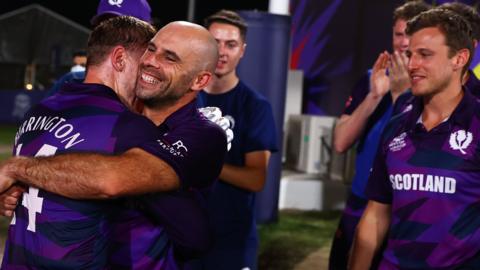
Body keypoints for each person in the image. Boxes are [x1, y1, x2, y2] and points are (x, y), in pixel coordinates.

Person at [0, 17, 228, 269]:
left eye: (170, 58)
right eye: (151, 49)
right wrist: (25, 190)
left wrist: (19, 169)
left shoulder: (202, 133)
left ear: (199, 81)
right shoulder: (116, 117)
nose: (150, 61)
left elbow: (194, 236)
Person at [350, 8, 480, 269]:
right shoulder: (397, 125)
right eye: (410, 54)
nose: (411, 65)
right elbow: (376, 215)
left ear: (460, 58)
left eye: (425, 55)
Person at [329, 1, 430, 269]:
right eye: (398, 34)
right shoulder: (371, 78)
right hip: (361, 199)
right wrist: (375, 95)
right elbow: (340, 142)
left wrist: (401, 95)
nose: (403, 42)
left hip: (403, 209)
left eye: (411, 34)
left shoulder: (435, 88)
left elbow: (413, 148)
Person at [185, 10, 278, 270]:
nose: (222, 52)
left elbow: (256, 178)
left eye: (231, 44)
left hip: (231, 241)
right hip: (180, 233)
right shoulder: (180, 97)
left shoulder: (255, 106)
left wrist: (205, 161)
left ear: (243, 51)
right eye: (215, 42)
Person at [45, 0, 153, 97]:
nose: (109, 33)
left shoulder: (155, 93)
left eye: (122, 26)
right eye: (104, 25)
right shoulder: (71, 82)